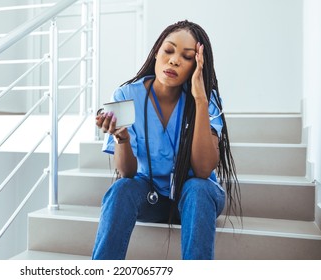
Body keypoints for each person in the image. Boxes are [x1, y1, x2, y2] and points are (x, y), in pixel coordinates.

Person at [92, 20, 241, 260]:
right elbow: (127, 173)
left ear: (197, 64)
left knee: (198, 187)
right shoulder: (126, 96)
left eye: (187, 56)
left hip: (194, 200)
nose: (174, 60)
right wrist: (122, 138)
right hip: (150, 198)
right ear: (156, 52)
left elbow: (203, 170)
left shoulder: (206, 99)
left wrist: (200, 101)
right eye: (168, 51)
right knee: (121, 189)